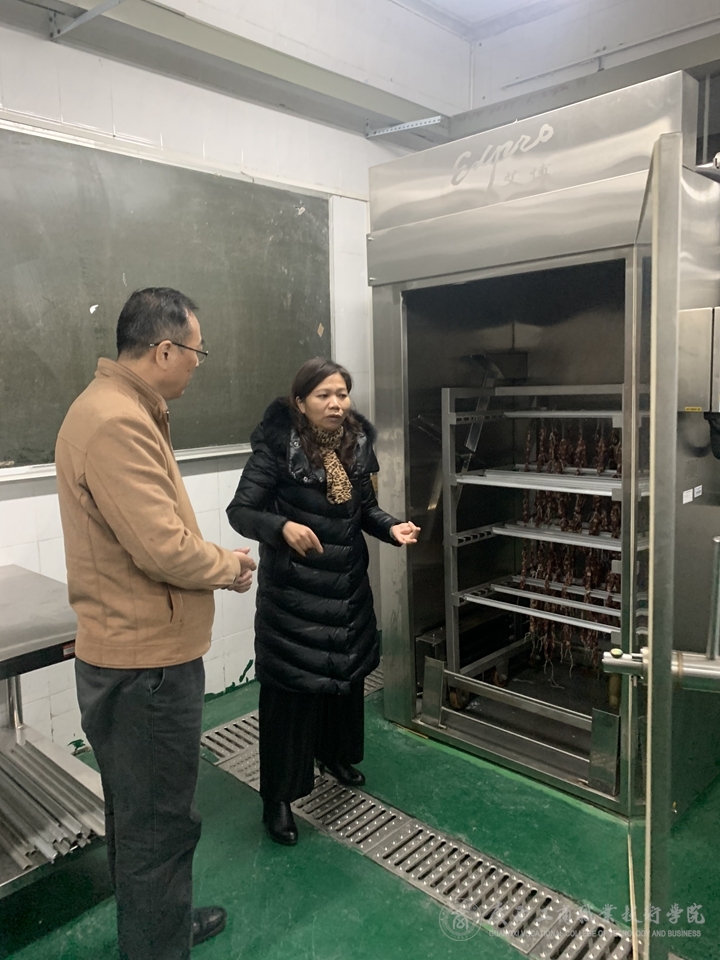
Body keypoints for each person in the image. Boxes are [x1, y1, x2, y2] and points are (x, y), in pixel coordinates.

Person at [55, 288, 256, 960]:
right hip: (145, 668)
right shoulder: (116, 421)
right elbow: (162, 548)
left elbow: (150, 535)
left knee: (138, 815)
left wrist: (213, 560)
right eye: (197, 350)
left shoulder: (122, 408)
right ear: (165, 349)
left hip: (136, 656)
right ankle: (156, 947)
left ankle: (157, 927)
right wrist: (228, 566)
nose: (199, 362)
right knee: (158, 824)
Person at [226, 358, 419, 845]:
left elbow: (365, 510)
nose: (335, 404)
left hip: (347, 587)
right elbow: (241, 511)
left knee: (345, 682)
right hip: (295, 598)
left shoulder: (356, 444)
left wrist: (391, 528)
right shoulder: (276, 448)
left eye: (342, 394)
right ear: (300, 402)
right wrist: (281, 528)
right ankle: (278, 799)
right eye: (323, 395)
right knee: (290, 696)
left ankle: (334, 756)